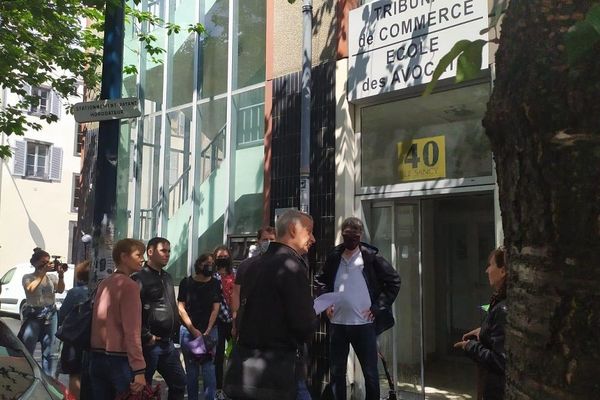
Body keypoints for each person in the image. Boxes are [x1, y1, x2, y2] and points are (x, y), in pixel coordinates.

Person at [232, 210, 318, 400]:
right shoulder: (292, 266)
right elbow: (303, 323)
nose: (313, 238)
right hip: (279, 368)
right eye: (309, 231)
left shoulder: (253, 265)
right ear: (293, 229)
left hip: (249, 367)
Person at [316, 217, 401, 400]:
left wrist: (378, 307)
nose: (350, 240)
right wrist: (325, 305)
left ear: (360, 235)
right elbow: (320, 281)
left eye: (354, 236)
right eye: (347, 235)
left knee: (370, 373)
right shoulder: (334, 257)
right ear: (342, 234)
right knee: (337, 372)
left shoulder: (371, 257)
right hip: (338, 324)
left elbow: (394, 281)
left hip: (364, 325)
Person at [89, 239, 147, 400]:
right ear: (124, 257)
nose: (142, 259)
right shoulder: (129, 286)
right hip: (119, 360)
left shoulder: (104, 283)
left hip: (96, 357)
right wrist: (139, 370)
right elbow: (132, 331)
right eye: (138, 255)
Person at [131, 237, 186, 400]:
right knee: (142, 388)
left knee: (179, 382)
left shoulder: (168, 277)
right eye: (163, 250)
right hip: (150, 344)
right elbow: (133, 312)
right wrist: (146, 335)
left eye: (169, 251)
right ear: (150, 252)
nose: (167, 254)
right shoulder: (139, 278)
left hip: (167, 344)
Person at [454, 247, 507, 400]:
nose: (487, 270)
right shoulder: (500, 302)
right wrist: (483, 330)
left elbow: (499, 360)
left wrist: (469, 346)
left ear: (503, 271)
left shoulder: (503, 309)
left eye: (490, 265)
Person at [178, 253, 221, 400]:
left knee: (209, 370)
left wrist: (208, 330)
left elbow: (216, 308)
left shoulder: (215, 283)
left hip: (210, 332)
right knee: (192, 371)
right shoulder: (186, 283)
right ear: (199, 264)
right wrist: (193, 329)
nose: (210, 266)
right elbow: (181, 307)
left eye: (212, 263)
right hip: (189, 332)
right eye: (207, 263)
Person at [19, 247, 65, 376]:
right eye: (43, 262)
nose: (47, 264)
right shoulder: (27, 277)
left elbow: (60, 290)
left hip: (51, 314)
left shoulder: (51, 278)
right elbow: (30, 289)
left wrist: (61, 276)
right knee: (28, 350)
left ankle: (47, 379)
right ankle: (27, 376)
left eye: (48, 262)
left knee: (49, 352)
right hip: (34, 315)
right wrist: (41, 274)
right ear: (35, 263)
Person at [230, 226, 276, 335]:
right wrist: (235, 322)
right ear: (258, 242)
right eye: (265, 240)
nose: (268, 242)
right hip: (248, 323)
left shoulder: (284, 265)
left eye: (272, 239)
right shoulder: (246, 265)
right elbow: (236, 293)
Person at [58, 260, 90, 399]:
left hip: (75, 339)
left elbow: (63, 313)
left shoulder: (75, 292)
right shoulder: (103, 290)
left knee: (75, 373)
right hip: (96, 341)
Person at [212, 245, 235, 398]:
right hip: (218, 321)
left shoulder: (236, 274)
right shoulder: (212, 276)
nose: (222, 259)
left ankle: (233, 386)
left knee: (235, 354)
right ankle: (219, 387)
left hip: (233, 320)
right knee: (218, 356)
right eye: (219, 257)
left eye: (225, 256)